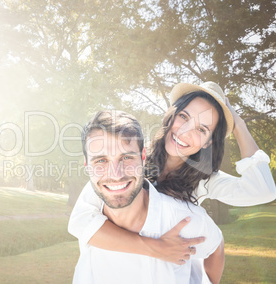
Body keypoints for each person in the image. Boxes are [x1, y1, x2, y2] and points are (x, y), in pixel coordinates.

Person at [68, 82, 276, 278]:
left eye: (202, 129)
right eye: (184, 117)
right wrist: (157, 248)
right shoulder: (128, 160)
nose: (185, 132)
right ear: (171, 115)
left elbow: (263, 190)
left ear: (208, 142)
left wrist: (238, 126)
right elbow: (81, 222)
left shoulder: (204, 180)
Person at [72, 110, 225, 284]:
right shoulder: (89, 217)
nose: (115, 174)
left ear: (143, 157)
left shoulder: (183, 218)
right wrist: (156, 248)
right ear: (87, 166)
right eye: (100, 161)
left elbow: (216, 246)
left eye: (127, 157)